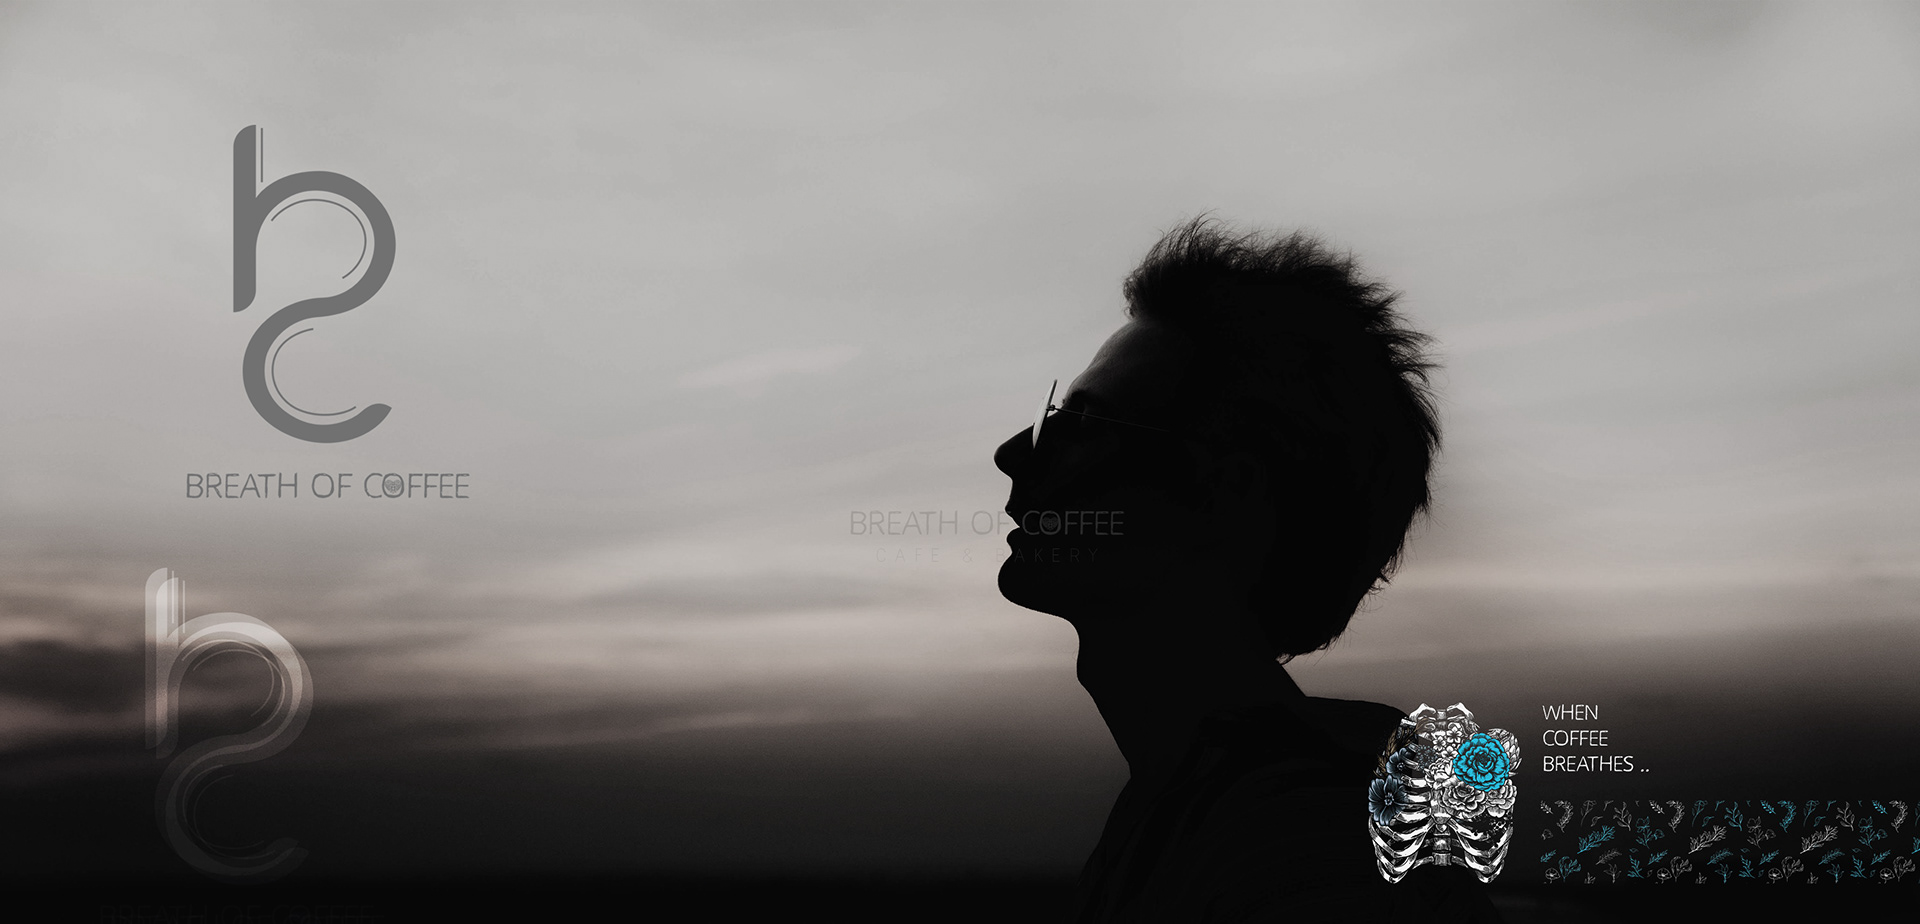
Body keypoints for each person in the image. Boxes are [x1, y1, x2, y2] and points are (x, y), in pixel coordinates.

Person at [994, 218, 1501, 922]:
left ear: (1224, 495)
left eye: (1088, 425)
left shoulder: (1300, 852)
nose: (1015, 453)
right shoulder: (1195, 812)